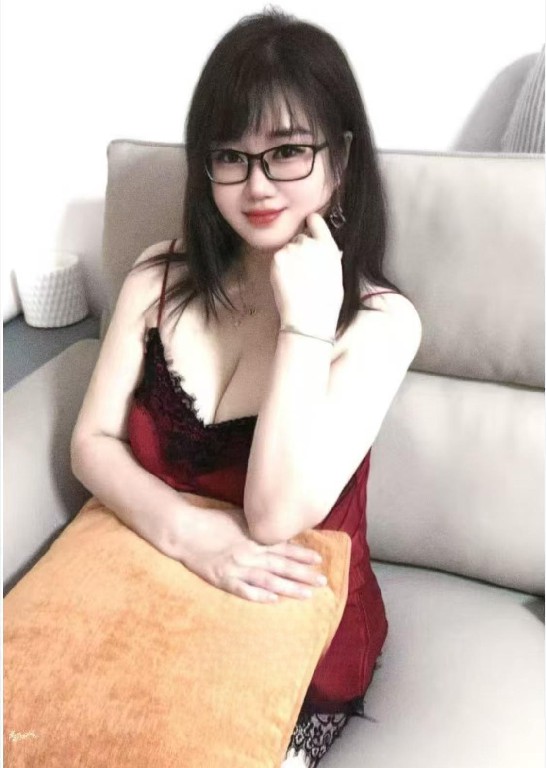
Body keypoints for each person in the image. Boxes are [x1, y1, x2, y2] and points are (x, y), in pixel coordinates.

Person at [71, 8, 422, 767]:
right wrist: (185, 532)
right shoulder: (156, 277)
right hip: (159, 579)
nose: (256, 184)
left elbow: (271, 517)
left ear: (340, 159)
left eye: (287, 151)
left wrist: (306, 325)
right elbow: (90, 442)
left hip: (293, 633)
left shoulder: (383, 323)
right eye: (230, 156)